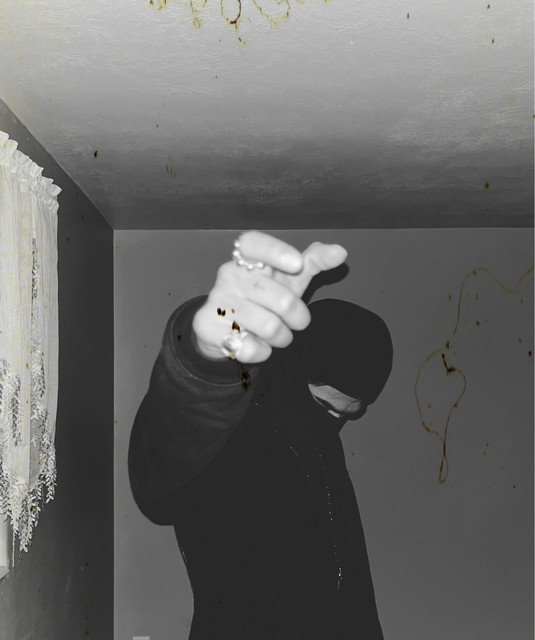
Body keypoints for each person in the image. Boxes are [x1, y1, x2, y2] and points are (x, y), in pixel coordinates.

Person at [128, 231, 393, 639]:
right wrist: (203, 364)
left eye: (347, 415)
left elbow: (350, 580)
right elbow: (159, 483)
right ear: (295, 373)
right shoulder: (231, 427)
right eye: (324, 407)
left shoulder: (322, 440)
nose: (332, 423)